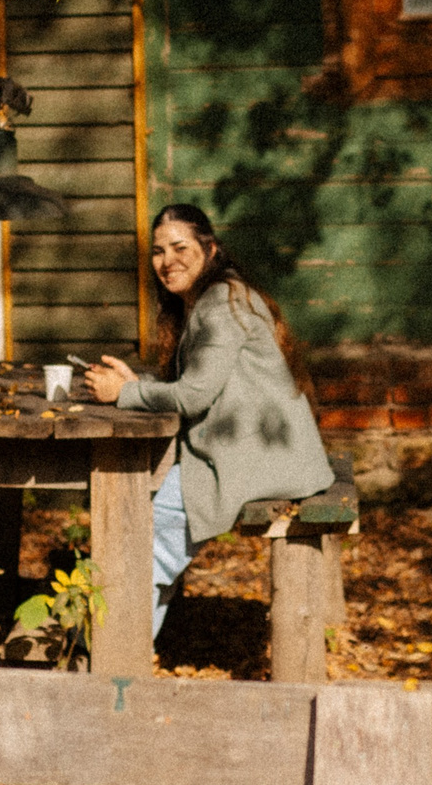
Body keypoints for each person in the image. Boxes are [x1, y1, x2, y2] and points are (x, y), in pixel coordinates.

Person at [84, 206, 334, 639]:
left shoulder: (220, 302)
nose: (167, 261)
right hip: (261, 453)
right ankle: (113, 645)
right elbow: (202, 383)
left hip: (258, 460)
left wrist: (124, 394)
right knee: (145, 524)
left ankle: (110, 658)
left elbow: (195, 395)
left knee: (143, 542)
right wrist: (138, 383)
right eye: (159, 252)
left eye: (180, 248)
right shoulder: (214, 299)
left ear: (210, 248)